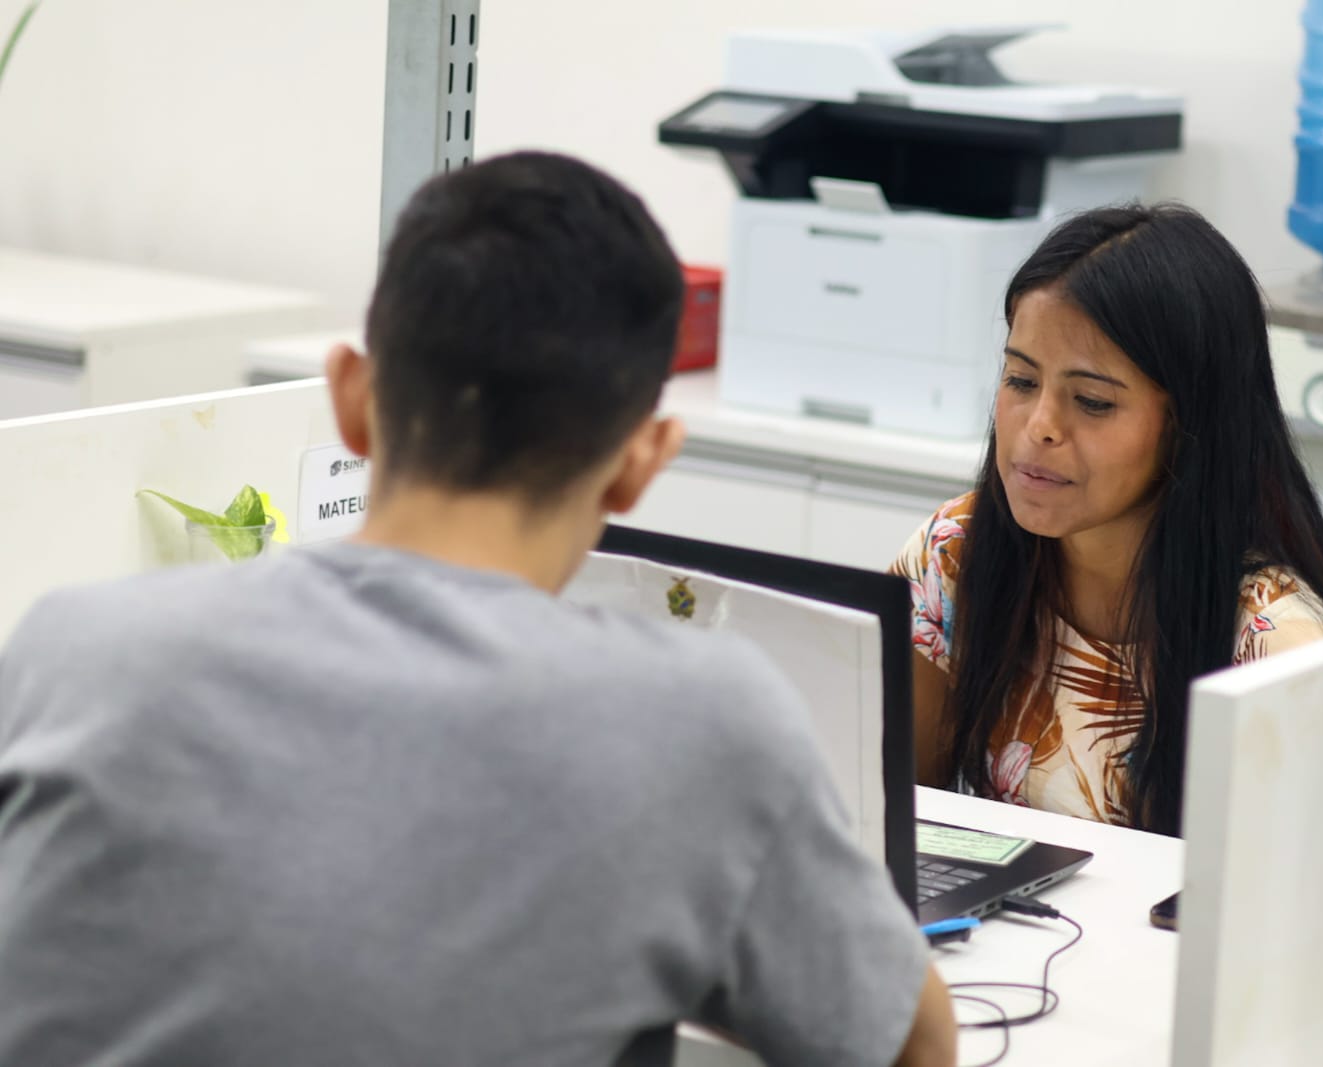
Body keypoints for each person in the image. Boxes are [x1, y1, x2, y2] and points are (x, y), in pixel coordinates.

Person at [0, 152, 955, 1067]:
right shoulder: (698, 728)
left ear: (350, 401)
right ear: (642, 461)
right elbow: (905, 1045)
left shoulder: (71, 650)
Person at [892, 203, 1323, 837]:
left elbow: (1276, 902)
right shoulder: (953, 554)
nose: (1039, 426)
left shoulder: (1271, 645)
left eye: (1092, 401)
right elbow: (892, 813)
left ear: (1190, 425)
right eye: (1021, 380)